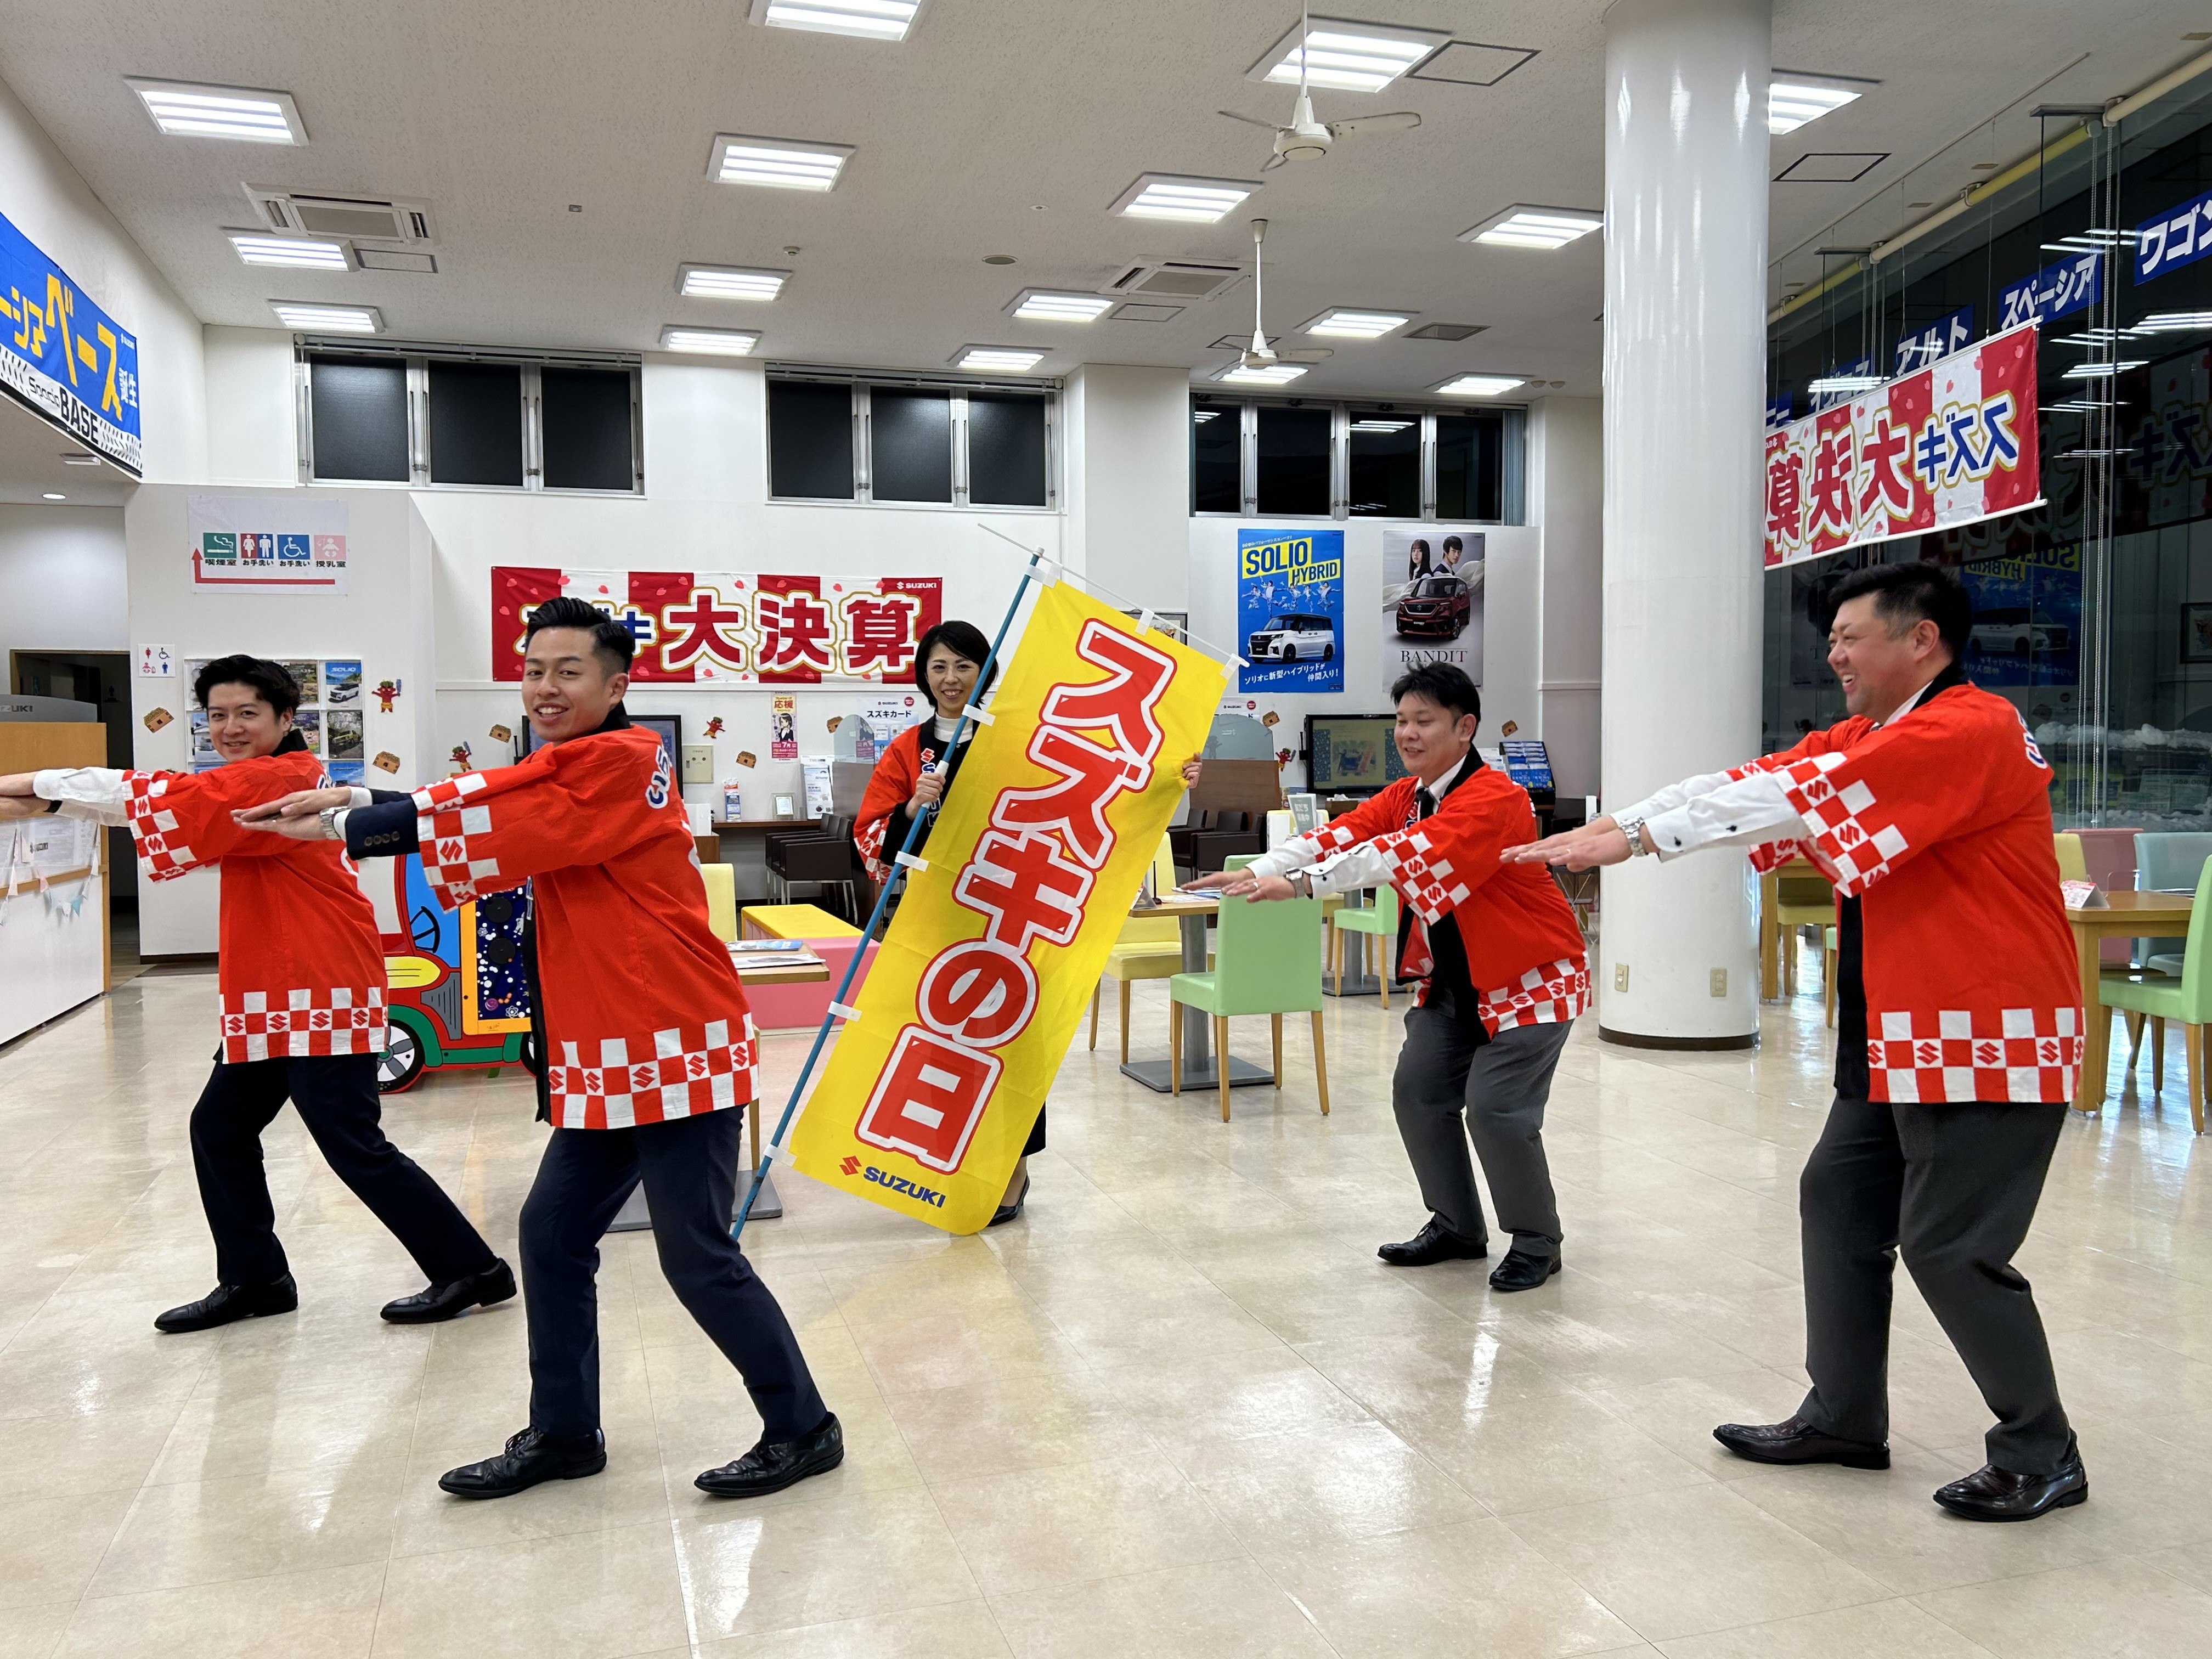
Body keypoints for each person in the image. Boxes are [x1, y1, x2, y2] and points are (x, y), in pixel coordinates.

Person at [1508, 561, 2087, 1523]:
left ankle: (2043, 1449)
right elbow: (1758, 781)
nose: (1834, 655)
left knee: (1950, 1247)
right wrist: (1624, 821)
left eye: (1851, 636)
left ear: (1922, 639)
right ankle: (1845, 1415)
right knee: (1838, 1199)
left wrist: (1636, 839)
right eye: (1832, 639)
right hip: (1897, 1031)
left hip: (1986, 1032)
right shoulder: (1875, 734)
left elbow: (1803, 797)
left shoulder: (1970, 727)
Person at [239, 597, 838, 1502]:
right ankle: (563, 1432)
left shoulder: (621, 760)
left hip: (675, 1044)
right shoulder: (565, 763)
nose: (545, 688)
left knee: (695, 1254)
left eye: (568, 671)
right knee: (551, 1236)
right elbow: (496, 801)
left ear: (617, 684)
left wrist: (342, 824)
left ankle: (804, 1426)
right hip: (607, 1054)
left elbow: (502, 820)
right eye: (533, 671)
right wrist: (356, 801)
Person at [0, 656, 509, 1333]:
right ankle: (256, 1279)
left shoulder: (283, 778)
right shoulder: (253, 780)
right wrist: (48, 800)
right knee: (220, 1129)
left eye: (247, 713)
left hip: (320, 981)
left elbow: (156, 796)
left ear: (285, 718)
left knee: (351, 1142)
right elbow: (162, 803)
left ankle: (472, 1269)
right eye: (217, 715)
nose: (230, 728)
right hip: (275, 988)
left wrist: (38, 786)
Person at [1187, 662, 1588, 1291]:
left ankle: (1538, 1241)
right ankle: (1457, 1227)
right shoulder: (1407, 795)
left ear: (1465, 728)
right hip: (1453, 979)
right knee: (1418, 1093)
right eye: (1402, 721)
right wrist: (1259, 868)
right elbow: (1338, 835)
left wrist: (1298, 886)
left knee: (1496, 1110)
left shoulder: (1497, 799)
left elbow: (1394, 856)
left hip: (1530, 976)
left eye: (1423, 720)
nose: (1407, 733)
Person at [854, 619, 1202, 1226]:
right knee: (940, 1038)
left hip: (1013, 909)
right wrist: (912, 806)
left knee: (1011, 1040)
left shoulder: (1017, 736)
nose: (951, 678)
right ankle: (948, 1159)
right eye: (939, 667)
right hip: (939, 920)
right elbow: (869, 835)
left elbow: (1091, 789)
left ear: (985, 672)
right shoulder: (908, 750)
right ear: (923, 676)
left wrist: (1172, 778)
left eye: (964, 665)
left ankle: (1013, 1165)